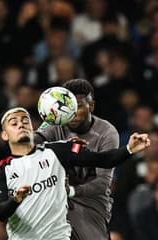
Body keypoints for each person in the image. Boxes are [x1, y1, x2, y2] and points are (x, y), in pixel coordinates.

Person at [0, 107, 150, 239]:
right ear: (5, 135)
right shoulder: (0, 170)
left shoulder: (56, 151)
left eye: (25, 120)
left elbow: (102, 160)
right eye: (14, 123)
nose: (21, 124)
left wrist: (129, 149)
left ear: (32, 128)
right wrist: (16, 200)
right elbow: (2, 213)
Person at [34, 78, 120, 240]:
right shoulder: (56, 122)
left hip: (89, 202)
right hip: (53, 196)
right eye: (67, 106)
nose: (71, 112)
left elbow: (102, 182)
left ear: (91, 106)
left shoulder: (107, 133)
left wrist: (71, 191)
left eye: (78, 106)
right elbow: (33, 143)